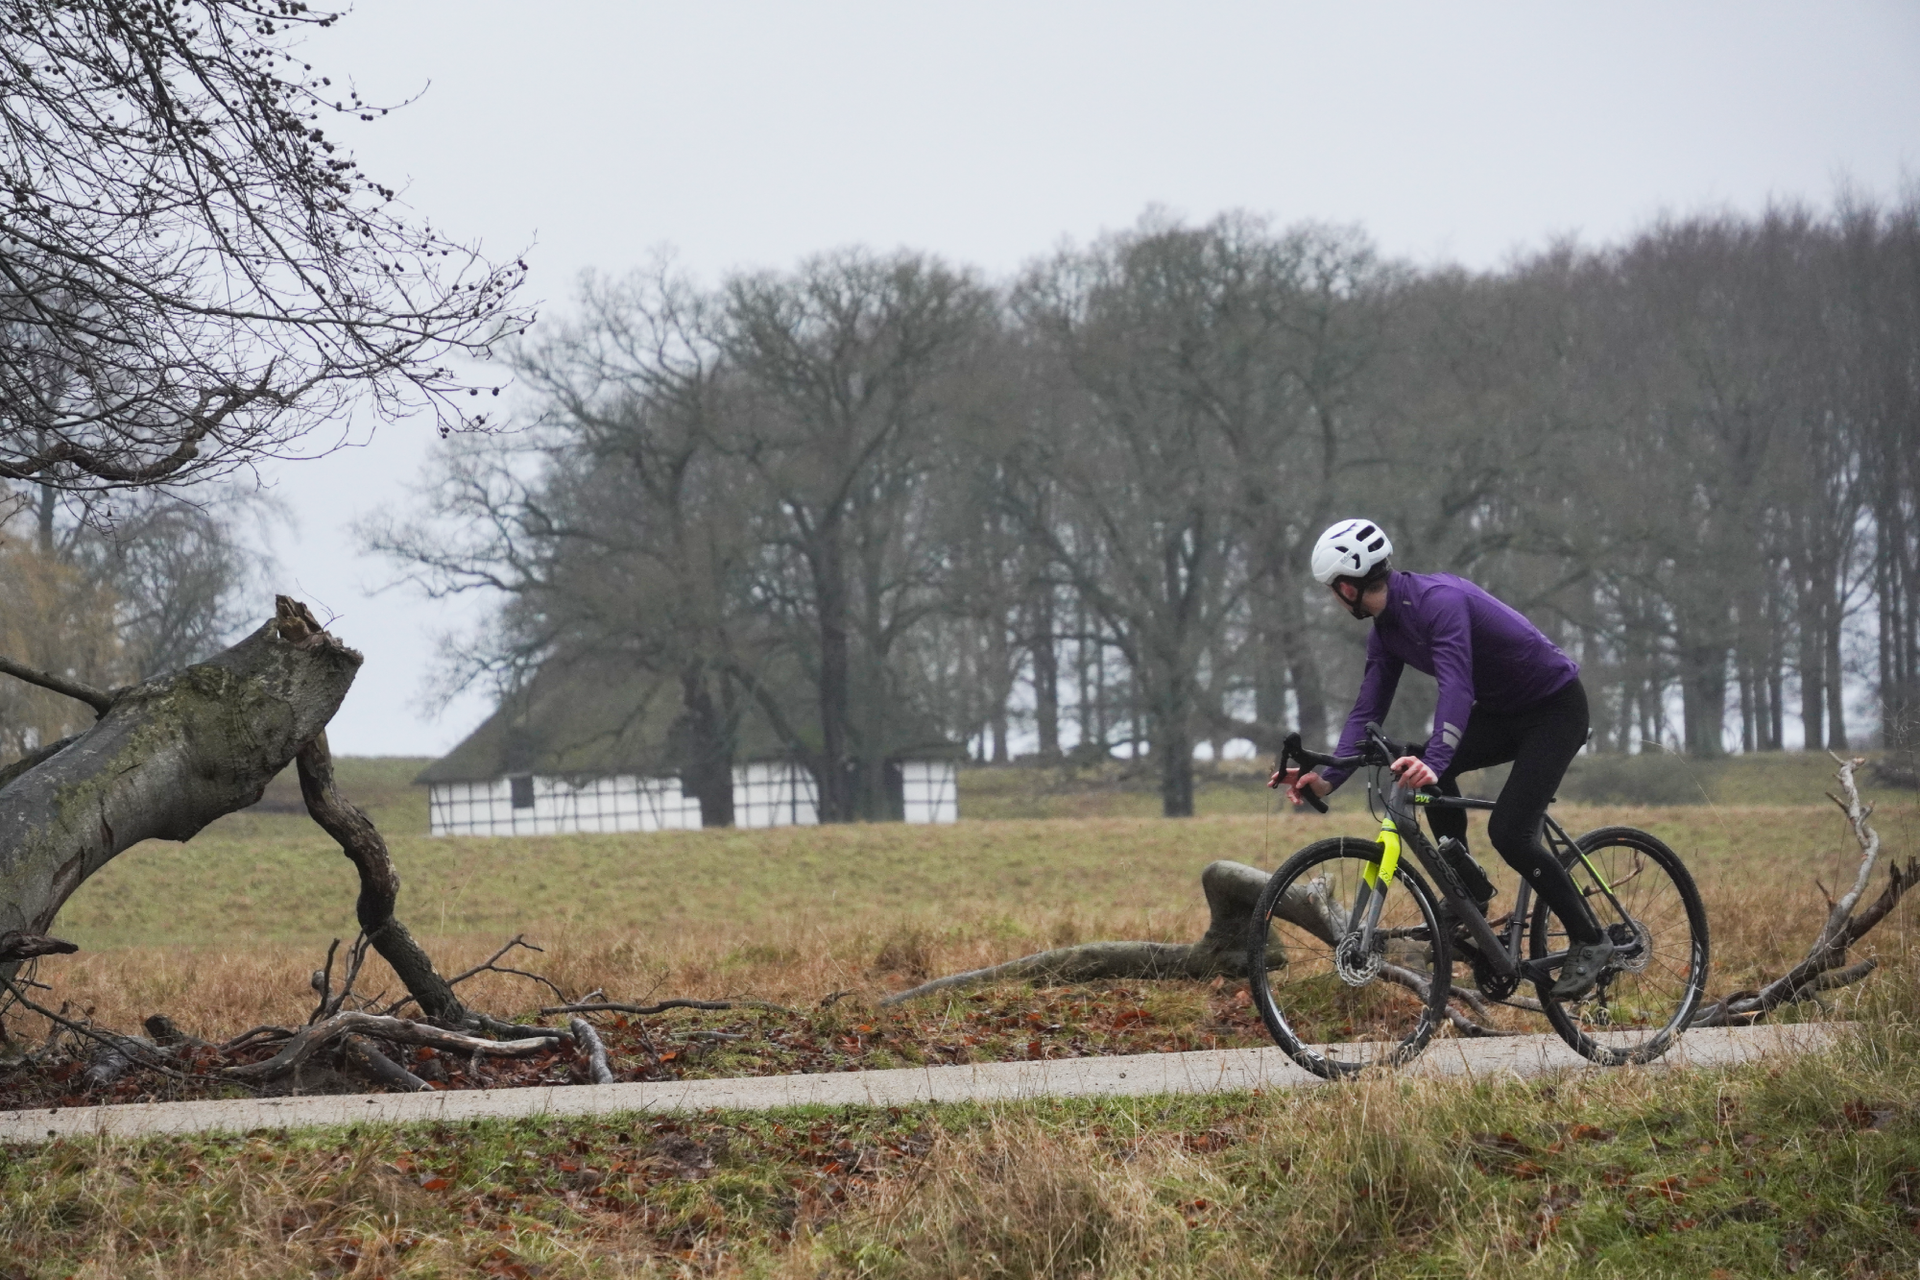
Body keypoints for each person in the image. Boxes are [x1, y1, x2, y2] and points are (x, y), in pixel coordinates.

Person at [1268, 518, 1613, 1000]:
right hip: (1503, 712)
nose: (1333, 598)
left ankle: (1592, 939)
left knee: (1509, 830)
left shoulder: (1439, 602)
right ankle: (1468, 887)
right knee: (1414, 762)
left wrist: (1438, 757)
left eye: (1332, 590)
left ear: (1347, 587)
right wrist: (1326, 778)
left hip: (1555, 708)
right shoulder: (1386, 631)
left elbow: (1457, 684)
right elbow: (1367, 709)